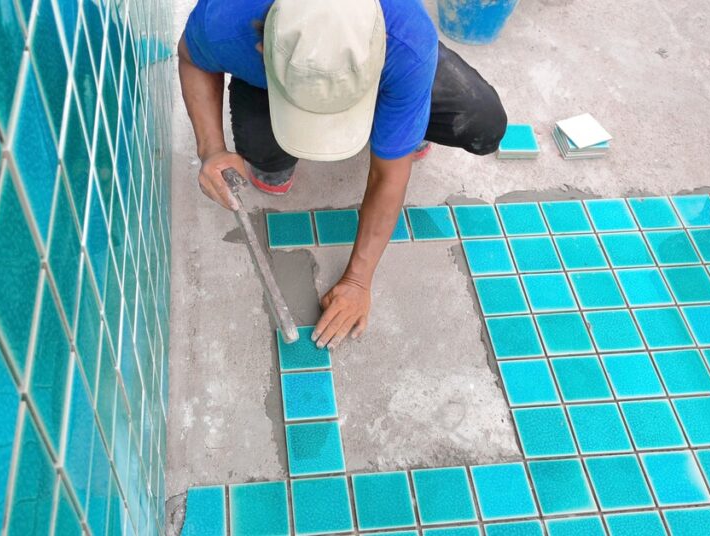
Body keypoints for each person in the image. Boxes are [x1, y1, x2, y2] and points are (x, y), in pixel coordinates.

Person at [179, 0, 507, 349]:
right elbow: (191, 58)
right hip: (269, 79)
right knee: (268, 164)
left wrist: (357, 280)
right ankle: (390, 119)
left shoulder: (405, 36)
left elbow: (388, 177)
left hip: (390, 65)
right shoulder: (228, 18)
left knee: (480, 121)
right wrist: (211, 148)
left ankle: (403, 119)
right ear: (262, 46)